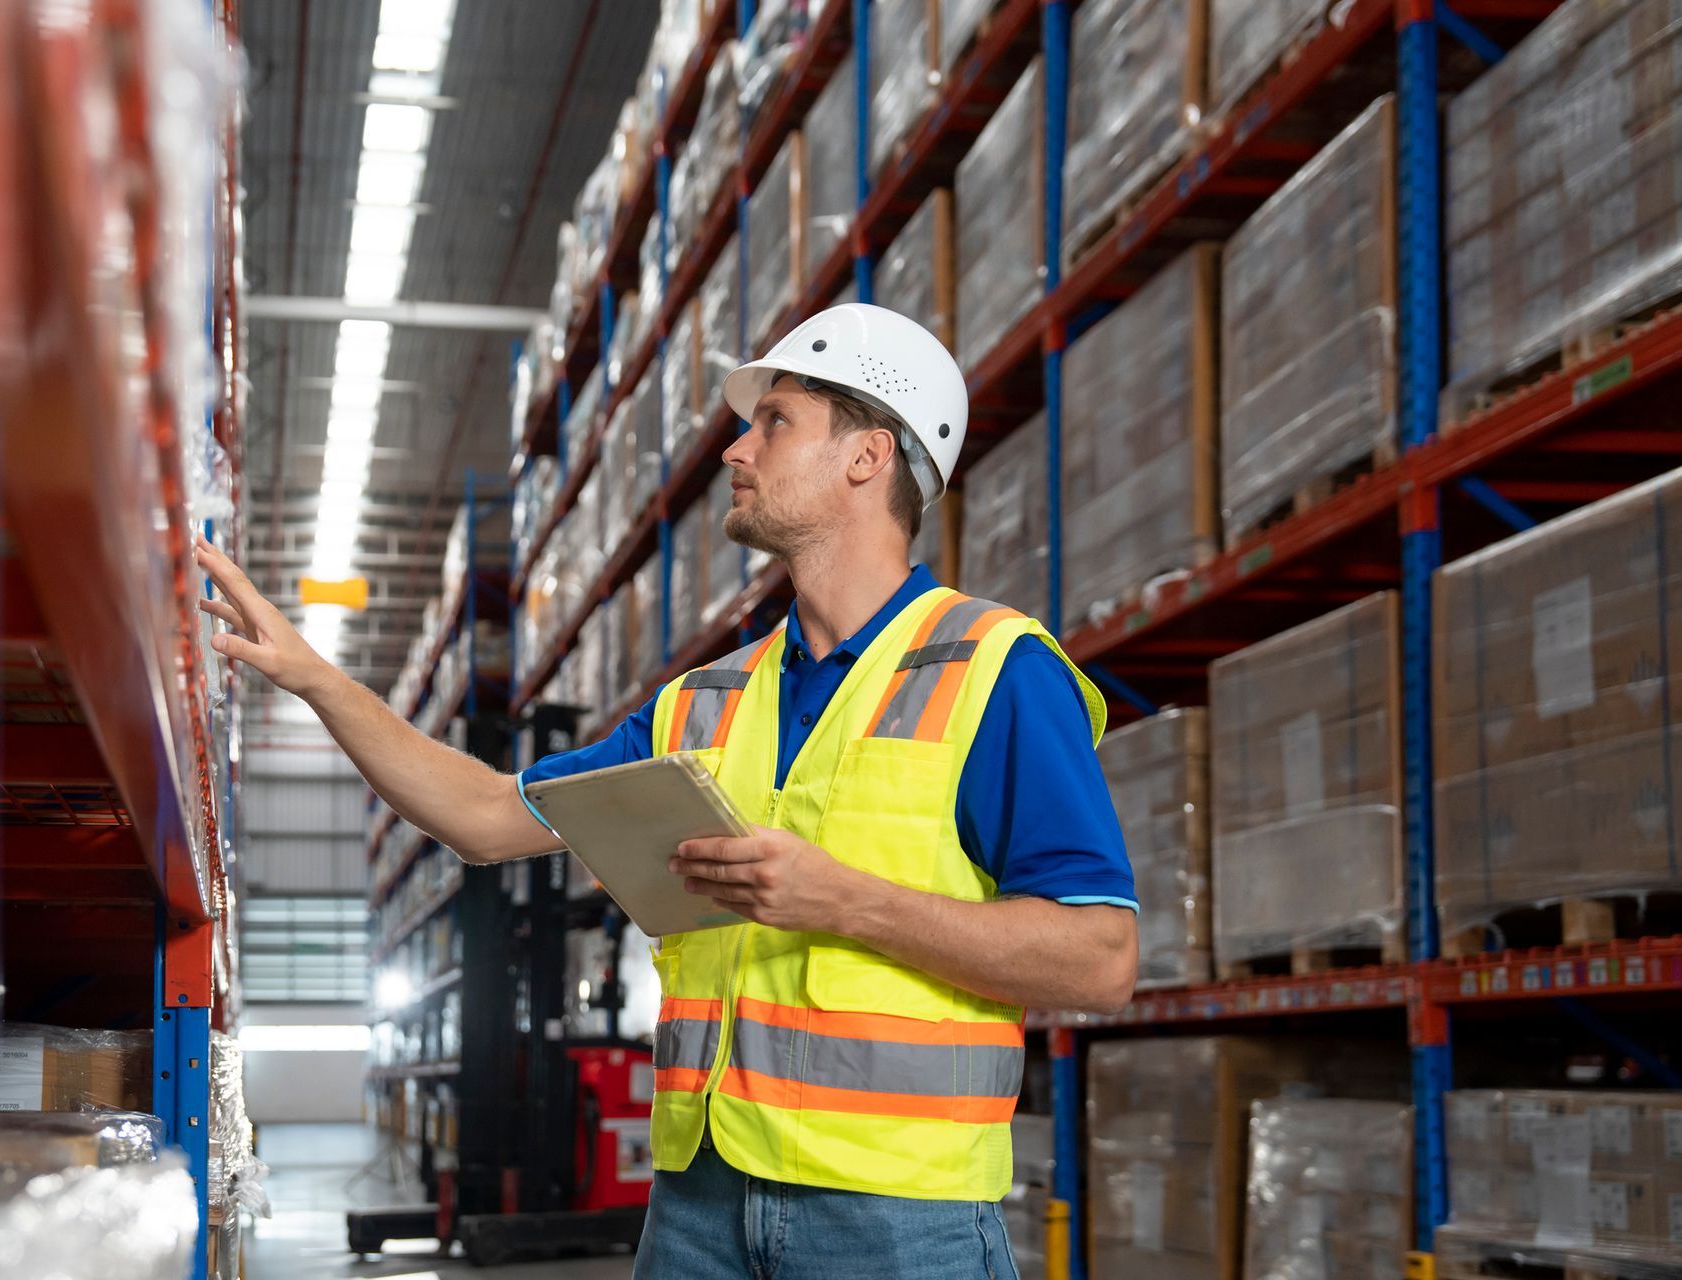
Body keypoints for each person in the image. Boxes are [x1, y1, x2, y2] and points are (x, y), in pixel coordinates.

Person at [195, 303, 1136, 1279]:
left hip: (896, 1218)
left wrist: (843, 898)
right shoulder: (703, 702)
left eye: (774, 421)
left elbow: (1102, 958)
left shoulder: (993, 669)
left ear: (868, 455)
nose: (736, 447)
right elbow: (482, 816)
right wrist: (315, 678)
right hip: (697, 1205)